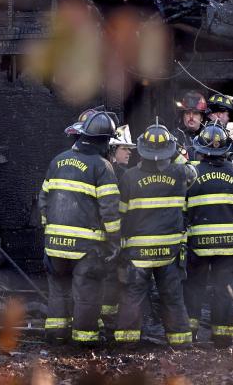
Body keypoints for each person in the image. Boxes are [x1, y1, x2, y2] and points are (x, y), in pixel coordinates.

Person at [39, 111, 121, 346]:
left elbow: (43, 201)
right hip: (87, 247)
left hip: (54, 245)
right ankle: (84, 343)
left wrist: (50, 232)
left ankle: (56, 335)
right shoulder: (103, 167)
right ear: (104, 140)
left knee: (58, 291)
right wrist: (114, 241)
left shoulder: (57, 161)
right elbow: (110, 211)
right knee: (87, 294)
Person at [114, 123, 195, 348]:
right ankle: (180, 342)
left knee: (132, 297)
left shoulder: (129, 177)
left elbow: (121, 214)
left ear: (142, 149)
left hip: (138, 253)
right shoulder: (180, 174)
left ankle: (127, 344)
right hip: (170, 252)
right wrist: (177, 153)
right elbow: (193, 172)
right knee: (172, 297)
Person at [184, 124, 233, 346]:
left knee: (193, 288)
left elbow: (182, 209)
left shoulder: (191, 173)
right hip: (230, 247)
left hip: (197, 245)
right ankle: (223, 338)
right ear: (226, 149)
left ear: (201, 150)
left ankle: (190, 334)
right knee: (225, 291)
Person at [101, 124, 136, 326]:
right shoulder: (118, 174)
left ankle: (108, 317)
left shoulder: (121, 173)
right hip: (108, 236)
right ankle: (106, 317)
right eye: (124, 148)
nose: (129, 152)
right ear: (112, 150)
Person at [206, 93, 233, 169]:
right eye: (228, 115)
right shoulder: (224, 141)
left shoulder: (199, 139)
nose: (229, 119)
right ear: (219, 115)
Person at [175, 91, 208, 162]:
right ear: (183, 116)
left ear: (202, 118)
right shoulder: (174, 138)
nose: (191, 117)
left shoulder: (209, 137)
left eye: (195, 113)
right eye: (187, 113)